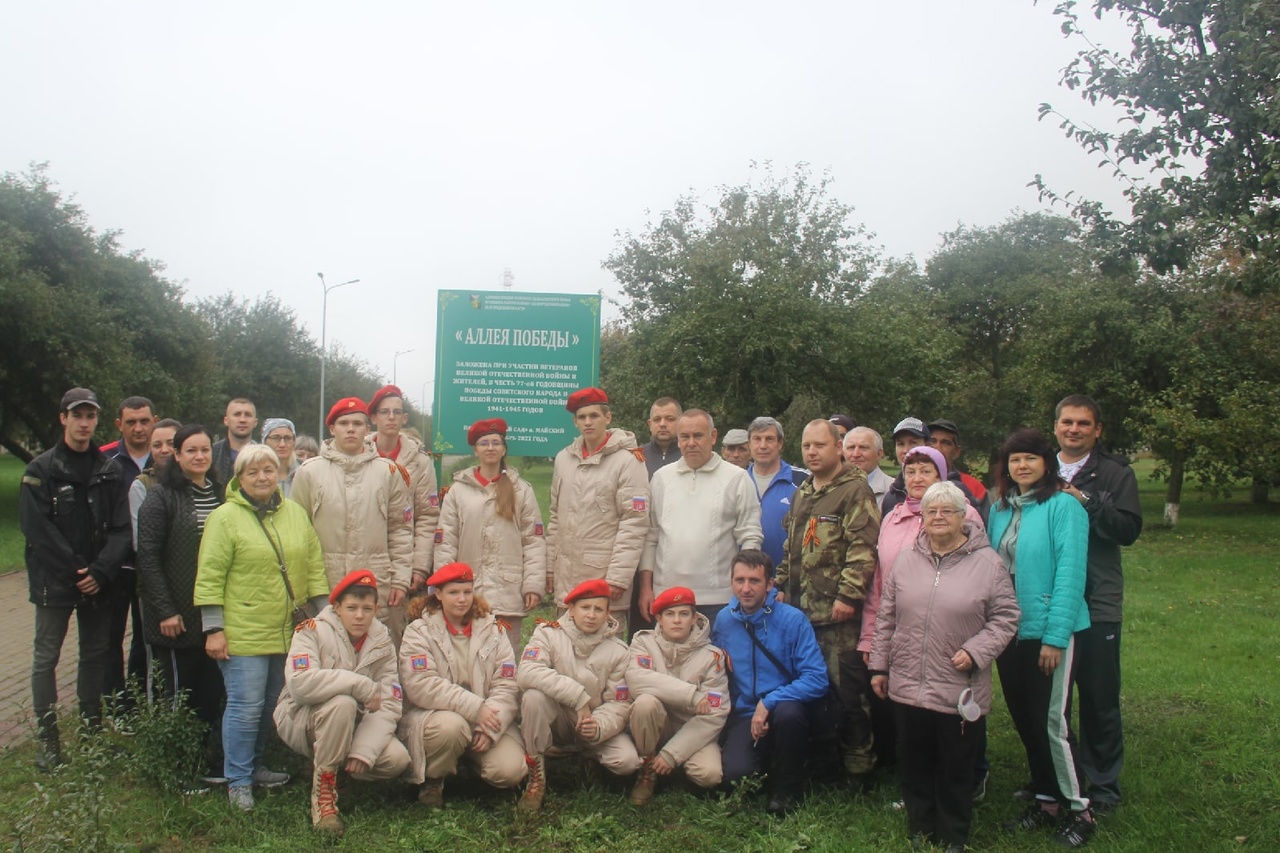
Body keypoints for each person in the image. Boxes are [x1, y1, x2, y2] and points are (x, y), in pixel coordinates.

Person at [869, 481, 1019, 852]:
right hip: (907, 680)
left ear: (962, 517)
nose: (937, 517)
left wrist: (976, 651)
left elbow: (1006, 617)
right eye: (931, 511)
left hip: (957, 683)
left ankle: (953, 835)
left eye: (946, 511)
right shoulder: (907, 560)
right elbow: (885, 616)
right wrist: (879, 666)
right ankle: (920, 827)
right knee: (915, 760)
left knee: (955, 765)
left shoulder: (987, 563)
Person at [194, 444, 329, 811]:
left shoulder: (295, 514)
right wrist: (213, 629)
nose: (262, 477)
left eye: (268, 470)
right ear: (240, 478)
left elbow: (313, 565)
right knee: (245, 705)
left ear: (279, 473)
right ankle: (237, 779)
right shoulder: (224, 518)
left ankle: (254, 767)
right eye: (252, 472)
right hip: (243, 631)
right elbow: (209, 576)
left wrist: (325, 613)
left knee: (271, 702)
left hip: (287, 629)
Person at [987, 429, 1094, 847]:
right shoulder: (1000, 509)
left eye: (1031, 458)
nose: (1023, 466)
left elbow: (1071, 575)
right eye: (1015, 460)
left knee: (1053, 723)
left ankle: (1080, 809)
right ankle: (1047, 800)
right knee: (1027, 720)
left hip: (1049, 631)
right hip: (1009, 631)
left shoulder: (1065, 507)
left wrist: (1055, 636)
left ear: (1047, 463)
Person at [20, 388, 131, 770]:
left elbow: (122, 529)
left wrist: (100, 572)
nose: (84, 423)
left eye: (90, 416)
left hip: (99, 582)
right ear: (63, 418)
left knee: (94, 656)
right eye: (77, 415)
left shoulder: (109, 470)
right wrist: (75, 571)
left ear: (97, 420)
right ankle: (49, 743)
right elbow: (37, 530)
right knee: (45, 659)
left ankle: (92, 736)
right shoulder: (41, 470)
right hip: (55, 581)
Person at [859, 446, 986, 780]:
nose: (916, 478)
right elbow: (879, 584)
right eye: (910, 471)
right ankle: (917, 784)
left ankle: (967, 779)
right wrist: (871, 641)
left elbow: (980, 576)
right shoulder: (892, 516)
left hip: (949, 632)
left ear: (941, 474)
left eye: (925, 471)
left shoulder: (964, 515)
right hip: (902, 632)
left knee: (952, 713)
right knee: (910, 714)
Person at [777, 420, 880, 788]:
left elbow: (863, 548)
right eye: (806, 446)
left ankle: (859, 766)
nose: (812, 452)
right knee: (812, 688)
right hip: (803, 613)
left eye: (819, 445)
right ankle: (823, 759)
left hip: (838, 615)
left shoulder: (853, 491)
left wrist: (849, 596)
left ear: (838, 447)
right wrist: (779, 585)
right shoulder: (804, 490)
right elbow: (792, 548)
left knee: (848, 691)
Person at [1054, 395, 1142, 817]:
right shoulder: (1038, 467)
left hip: (1097, 599)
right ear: (1055, 426)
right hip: (1049, 601)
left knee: (1099, 697)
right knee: (1053, 700)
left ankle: (1103, 786)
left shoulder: (1114, 473)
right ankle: (1056, 778)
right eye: (1067, 422)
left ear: (1097, 430)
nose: (1074, 429)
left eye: (1083, 424)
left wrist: (1086, 501)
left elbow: (1127, 529)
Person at [274, 570, 410, 836]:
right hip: (301, 719)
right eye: (351, 608)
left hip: (354, 727)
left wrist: (364, 750)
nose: (359, 616)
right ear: (336, 608)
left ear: (376, 609)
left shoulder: (382, 640)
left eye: (366, 609)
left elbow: (390, 701)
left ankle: (339, 768)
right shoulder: (311, 631)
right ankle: (324, 799)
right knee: (343, 703)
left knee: (397, 759)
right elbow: (300, 684)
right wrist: (358, 684)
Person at [135, 424, 226, 784]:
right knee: (177, 696)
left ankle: (201, 763)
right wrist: (165, 610)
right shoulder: (162, 497)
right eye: (191, 450)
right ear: (177, 454)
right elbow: (149, 559)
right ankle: (173, 771)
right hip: (175, 617)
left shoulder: (219, 494)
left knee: (208, 695)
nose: (199, 456)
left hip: (212, 618)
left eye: (205, 450)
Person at [398, 562, 527, 809]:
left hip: (487, 718)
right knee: (452, 727)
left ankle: (472, 763)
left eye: (467, 592)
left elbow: (507, 683)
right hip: (440, 718)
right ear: (438, 594)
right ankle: (434, 779)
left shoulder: (493, 628)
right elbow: (422, 685)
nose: (462, 599)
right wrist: (475, 707)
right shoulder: (418, 631)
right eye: (454, 592)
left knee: (510, 772)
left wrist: (490, 729)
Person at [712, 550, 829, 816]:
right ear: (731, 582)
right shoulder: (724, 620)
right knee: (736, 778)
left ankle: (786, 790)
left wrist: (769, 701)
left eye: (754, 581)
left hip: (784, 706)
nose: (746, 588)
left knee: (789, 715)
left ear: (769, 584)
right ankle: (765, 759)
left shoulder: (792, 619)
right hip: (745, 711)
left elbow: (816, 678)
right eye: (739, 580)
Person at [290, 397, 415, 639]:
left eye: (357, 423)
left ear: (367, 429)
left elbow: (400, 530)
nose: (350, 429)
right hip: (325, 585)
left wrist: (400, 579)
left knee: (374, 655)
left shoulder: (387, 472)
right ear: (331, 429)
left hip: (374, 583)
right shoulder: (309, 472)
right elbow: (297, 532)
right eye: (343, 423)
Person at [516, 578, 640, 812]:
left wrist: (599, 725)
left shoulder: (619, 651)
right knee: (533, 697)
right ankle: (536, 775)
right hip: (559, 719)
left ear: (607, 614)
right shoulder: (547, 634)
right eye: (585, 607)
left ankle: (589, 756)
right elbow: (527, 672)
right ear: (571, 609)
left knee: (628, 761)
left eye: (598, 609)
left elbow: (619, 703)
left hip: (592, 721)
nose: (591, 615)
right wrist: (578, 696)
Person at [637, 409, 762, 622]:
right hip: (667, 596)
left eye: (698, 436)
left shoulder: (737, 479)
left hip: (719, 600)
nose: (691, 442)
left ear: (713, 437)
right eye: (685, 437)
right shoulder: (661, 478)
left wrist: (744, 587)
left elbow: (750, 537)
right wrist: (646, 588)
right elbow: (651, 537)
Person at [434, 418, 546, 651]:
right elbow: (446, 540)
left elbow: (533, 540)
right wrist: (446, 587)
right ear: (475, 450)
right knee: (467, 656)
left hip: (508, 591)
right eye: (484, 443)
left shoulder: (521, 490)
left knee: (504, 659)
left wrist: (533, 585)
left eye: (496, 443)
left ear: (504, 449)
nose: (491, 448)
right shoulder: (458, 491)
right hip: (467, 594)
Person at [546, 387, 649, 633]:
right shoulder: (563, 458)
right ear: (575, 422)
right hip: (567, 580)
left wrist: (617, 578)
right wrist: (550, 567)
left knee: (604, 658)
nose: (588, 422)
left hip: (603, 579)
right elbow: (555, 517)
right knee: (564, 653)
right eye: (582, 417)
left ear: (608, 418)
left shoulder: (628, 460)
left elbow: (634, 522)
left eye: (594, 416)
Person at [625, 586, 729, 806]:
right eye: (670, 614)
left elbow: (715, 713)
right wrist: (691, 695)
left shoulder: (712, 656)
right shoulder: (643, 642)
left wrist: (672, 754)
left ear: (694, 618)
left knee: (709, 775)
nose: (677, 621)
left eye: (684, 614)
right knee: (645, 702)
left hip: (689, 726)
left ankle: (671, 765)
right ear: (659, 619)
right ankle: (647, 770)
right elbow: (636, 679)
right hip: (656, 724)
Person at [103, 394, 157, 706]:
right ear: (119, 424)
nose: (138, 428)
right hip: (113, 565)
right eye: (131, 422)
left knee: (143, 637)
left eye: (144, 421)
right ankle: (114, 702)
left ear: (154, 421)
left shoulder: (165, 457)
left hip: (147, 567)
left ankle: (136, 699)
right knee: (109, 638)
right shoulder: (105, 459)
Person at [369, 384, 441, 590]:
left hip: (405, 560)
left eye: (397, 412)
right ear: (374, 418)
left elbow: (427, 517)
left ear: (404, 418)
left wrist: (419, 566)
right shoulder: (359, 456)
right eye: (384, 412)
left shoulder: (419, 461)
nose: (391, 417)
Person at [745, 416, 807, 568]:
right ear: (749, 444)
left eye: (769, 439)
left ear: (780, 444)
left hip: (790, 579)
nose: (763, 445)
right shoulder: (736, 481)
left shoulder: (803, 480)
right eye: (757, 439)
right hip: (746, 580)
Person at [883, 418, 976, 515]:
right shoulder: (892, 497)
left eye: (913, 443)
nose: (906, 450)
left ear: (928, 446)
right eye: (900, 444)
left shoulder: (957, 491)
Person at [130, 417, 181, 546]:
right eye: (157, 445)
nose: (164, 450)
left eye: (171, 443)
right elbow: (140, 541)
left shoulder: (200, 480)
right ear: (150, 449)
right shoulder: (142, 485)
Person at [927, 419, 991, 520]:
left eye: (945, 443)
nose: (937, 448)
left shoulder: (973, 487)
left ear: (957, 451)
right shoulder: (913, 484)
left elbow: (983, 528)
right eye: (932, 441)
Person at [843, 427, 894, 511]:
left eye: (863, 447)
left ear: (879, 454)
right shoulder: (829, 488)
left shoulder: (893, 490)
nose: (856, 454)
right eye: (851, 447)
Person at [211, 398, 258, 486]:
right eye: (237, 414)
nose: (242, 420)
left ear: (255, 422)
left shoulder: (264, 456)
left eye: (248, 415)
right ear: (226, 421)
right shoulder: (211, 454)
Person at [641, 396, 682, 478]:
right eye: (657, 419)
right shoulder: (639, 457)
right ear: (650, 424)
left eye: (670, 419)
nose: (662, 424)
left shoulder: (690, 455)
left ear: (681, 422)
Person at [261, 418, 300, 497]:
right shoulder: (257, 473)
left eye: (288, 438)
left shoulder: (303, 472)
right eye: (276, 438)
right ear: (264, 441)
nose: (282, 444)